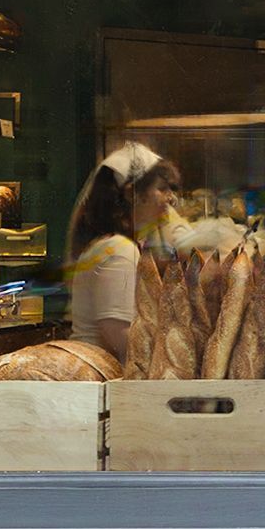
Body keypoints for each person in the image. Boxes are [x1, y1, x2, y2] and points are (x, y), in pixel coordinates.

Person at [64, 143, 180, 364]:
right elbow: (117, 332)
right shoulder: (119, 250)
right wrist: (165, 364)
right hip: (100, 375)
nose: (170, 199)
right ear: (133, 194)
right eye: (163, 189)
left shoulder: (114, 245)